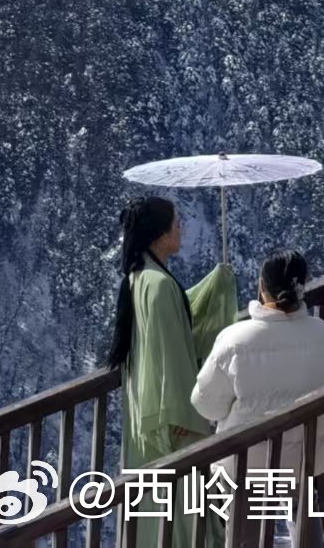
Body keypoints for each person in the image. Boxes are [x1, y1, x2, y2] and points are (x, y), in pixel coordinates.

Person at [109, 196, 238, 548]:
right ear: (159, 233)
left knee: (157, 516)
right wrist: (188, 411)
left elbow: (178, 320)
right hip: (173, 424)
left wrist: (217, 284)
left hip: (148, 419)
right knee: (186, 518)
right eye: (175, 222)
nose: (180, 227)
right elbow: (170, 358)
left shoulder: (143, 278)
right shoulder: (159, 285)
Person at [192, 249, 324, 547]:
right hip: (305, 456)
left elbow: (204, 403)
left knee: (217, 485)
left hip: (248, 464)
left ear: (262, 286)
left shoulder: (237, 339)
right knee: (300, 493)